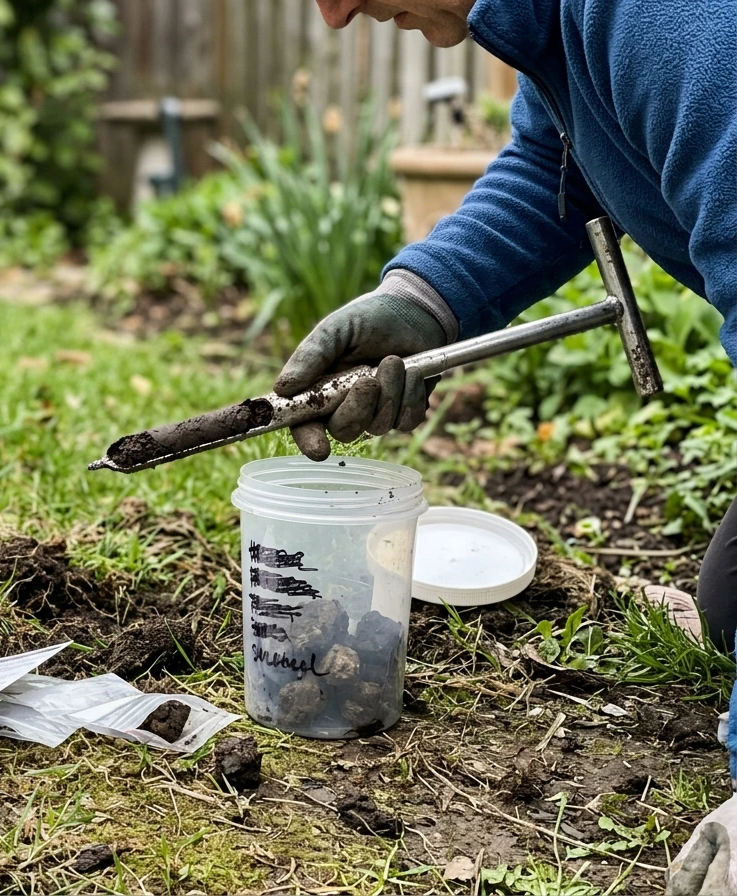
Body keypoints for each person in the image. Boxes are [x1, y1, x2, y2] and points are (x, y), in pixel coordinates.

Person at [285, 1, 736, 892]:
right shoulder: (560, 24)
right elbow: (556, 167)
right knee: (731, 600)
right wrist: (425, 299)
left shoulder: (677, 22)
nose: (335, 15)